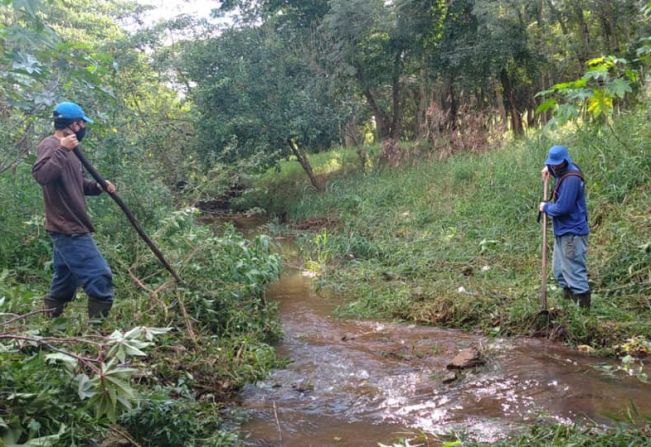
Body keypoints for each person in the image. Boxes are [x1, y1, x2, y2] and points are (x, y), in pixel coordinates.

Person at [32, 102, 117, 319]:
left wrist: (98, 186)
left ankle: (49, 323)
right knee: (100, 276)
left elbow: (75, 183)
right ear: (70, 124)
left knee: (66, 279)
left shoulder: (71, 149)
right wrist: (63, 149)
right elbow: (42, 176)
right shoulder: (51, 146)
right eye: (80, 123)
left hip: (70, 222)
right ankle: (98, 333)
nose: (82, 127)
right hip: (67, 225)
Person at [539, 145, 591, 308]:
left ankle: (583, 315)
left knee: (573, 273)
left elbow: (563, 208)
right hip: (563, 231)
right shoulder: (562, 170)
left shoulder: (571, 179)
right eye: (552, 164)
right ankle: (569, 308)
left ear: (565, 161)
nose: (554, 167)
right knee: (559, 272)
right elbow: (556, 170)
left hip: (572, 233)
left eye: (556, 164)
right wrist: (548, 169)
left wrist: (545, 207)